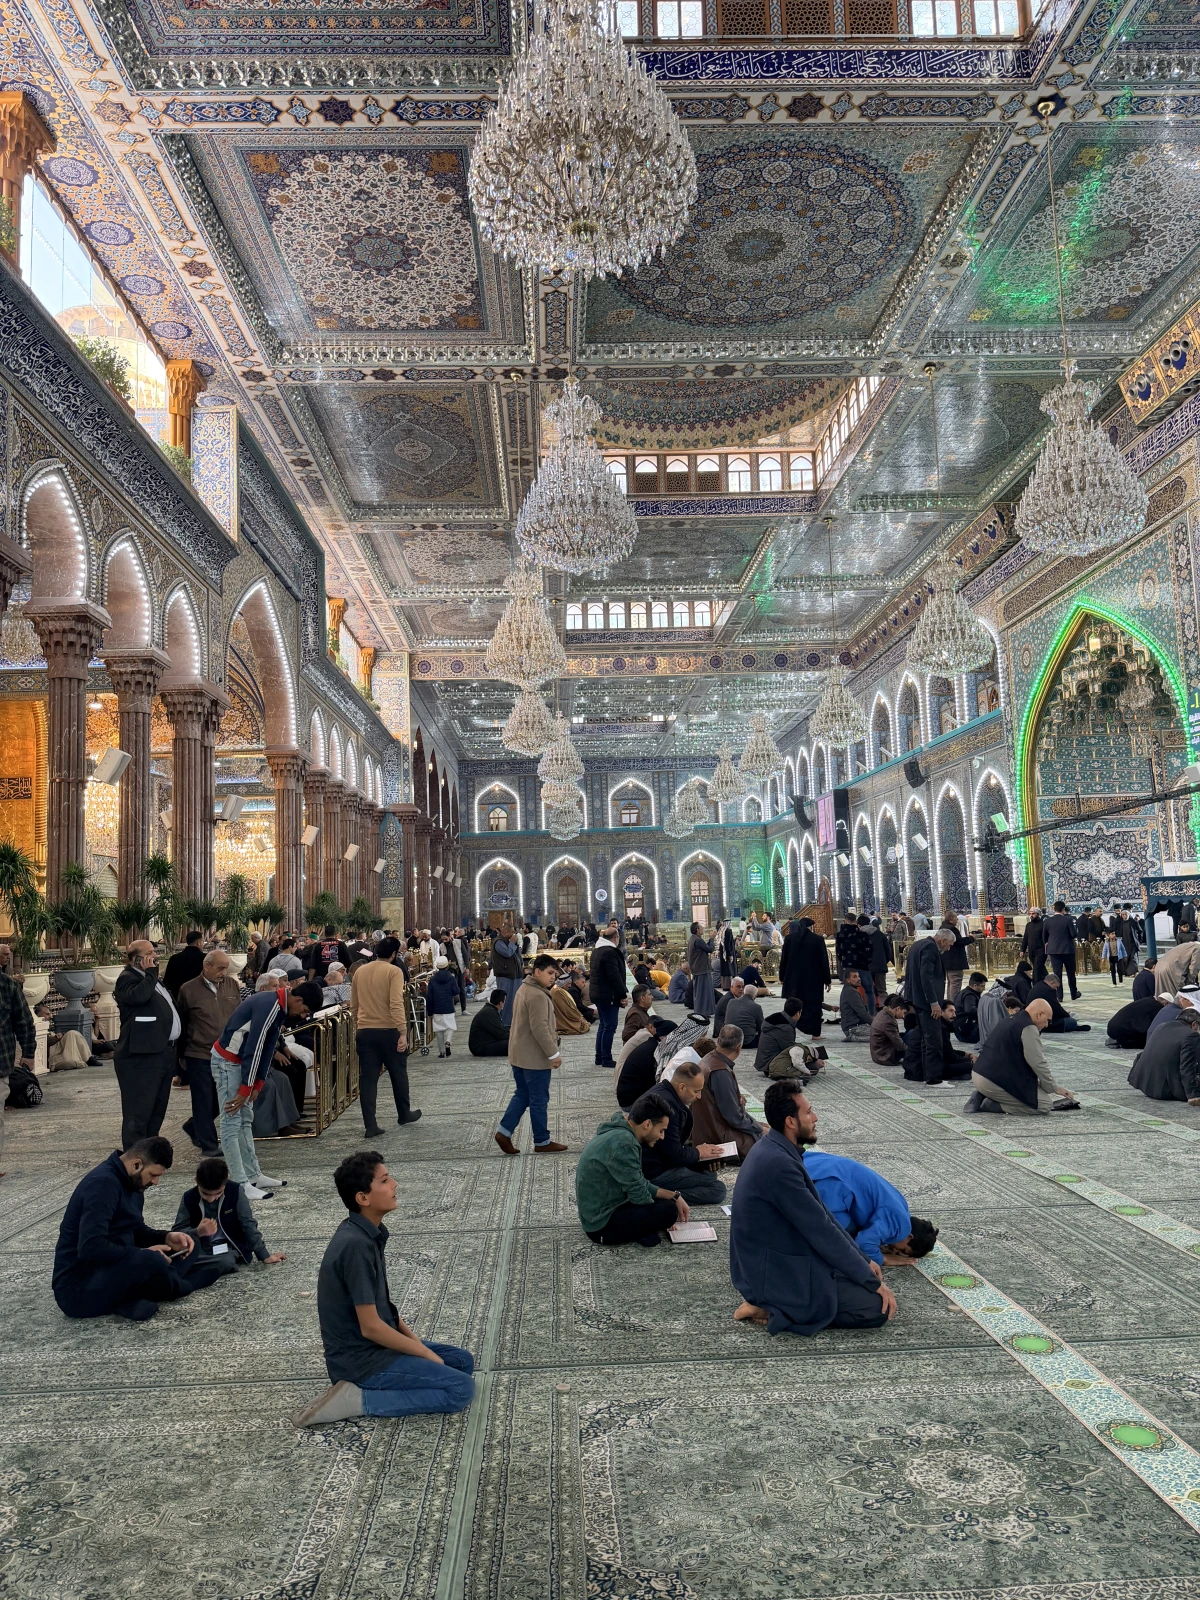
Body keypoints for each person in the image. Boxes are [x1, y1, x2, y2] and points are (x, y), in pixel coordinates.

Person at [293, 1152, 476, 1425]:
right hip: (361, 1362)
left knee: (462, 1362)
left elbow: (386, 1311)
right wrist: (425, 1354)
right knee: (461, 1389)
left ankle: (375, 1388)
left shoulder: (366, 1233)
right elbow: (371, 1327)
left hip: (378, 1348)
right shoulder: (355, 1246)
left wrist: (416, 1345)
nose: (395, 1184)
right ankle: (358, 1399)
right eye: (385, 1180)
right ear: (363, 1198)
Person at [729, 1080, 897, 1333]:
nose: (815, 1118)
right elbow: (820, 1229)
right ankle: (772, 1308)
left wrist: (862, 1261)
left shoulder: (775, 1148)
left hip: (782, 1254)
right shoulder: (778, 1164)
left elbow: (823, 1215)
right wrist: (867, 1278)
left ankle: (779, 1305)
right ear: (790, 1122)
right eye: (808, 1112)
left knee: (855, 1275)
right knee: (874, 1308)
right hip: (773, 1272)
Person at [53, 1137, 227, 1320]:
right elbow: (90, 1247)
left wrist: (166, 1237)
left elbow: (135, 1230)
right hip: (79, 1288)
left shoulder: (134, 1183)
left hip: (115, 1267)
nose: (156, 1182)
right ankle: (181, 1286)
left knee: (190, 1243)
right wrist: (142, 1254)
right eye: (153, 1175)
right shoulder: (103, 1184)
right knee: (151, 1260)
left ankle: (137, 1293)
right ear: (137, 1164)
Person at [213, 980, 310, 1196]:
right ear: (297, 999)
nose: (303, 1015)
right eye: (304, 1010)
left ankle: (253, 1175)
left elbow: (267, 1047)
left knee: (245, 1120)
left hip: (237, 1062)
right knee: (231, 1123)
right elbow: (254, 1048)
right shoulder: (270, 1005)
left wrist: (257, 1083)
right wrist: (246, 1088)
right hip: (228, 1062)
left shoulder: (280, 1006)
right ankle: (240, 1183)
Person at [575, 1090, 691, 1247]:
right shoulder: (624, 1144)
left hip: (605, 1208)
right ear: (647, 1124)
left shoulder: (620, 1131)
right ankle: (642, 1231)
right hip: (601, 1225)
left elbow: (639, 1182)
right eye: (661, 1130)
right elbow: (639, 1194)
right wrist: (659, 1218)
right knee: (669, 1211)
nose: (662, 1137)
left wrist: (674, 1196)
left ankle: (643, 1231)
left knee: (664, 1200)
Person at [804, 1150, 939, 1267]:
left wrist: (878, 1243)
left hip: (829, 1167)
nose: (895, 1251)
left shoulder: (902, 1208)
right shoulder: (899, 1227)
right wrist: (882, 1259)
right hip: (830, 1186)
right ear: (909, 1237)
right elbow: (863, 1243)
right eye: (902, 1251)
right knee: (843, 1236)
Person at [112, 940, 182, 1152]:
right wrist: (151, 974)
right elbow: (139, 997)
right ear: (136, 959)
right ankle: (134, 1156)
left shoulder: (152, 979)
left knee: (156, 1110)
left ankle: (149, 1155)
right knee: (138, 1112)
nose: (155, 956)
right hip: (141, 1057)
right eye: (150, 953)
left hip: (163, 1053)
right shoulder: (127, 978)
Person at [494, 954, 567, 1155]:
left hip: (519, 1054)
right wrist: (553, 1053)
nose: (553, 977)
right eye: (549, 973)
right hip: (534, 1058)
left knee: (523, 1094)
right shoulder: (537, 995)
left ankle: (504, 1132)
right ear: (537, 972)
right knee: (538, 1099)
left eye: (555, 974)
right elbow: (539, 1028)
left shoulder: (524, 988)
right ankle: (542, 1140)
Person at [176, 950, 243, 1159]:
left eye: (226, 968)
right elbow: (182, 1022)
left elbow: (239, 1015)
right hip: (199, 1052)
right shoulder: (188, 989)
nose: (224, 972)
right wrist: (181, 1056)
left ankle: (194, 1126)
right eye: (220, 968)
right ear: (207, 966)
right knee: (203, 1099)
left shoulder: (232, 985)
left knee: (221, 1098)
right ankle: (209, 1144)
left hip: (228, 1052)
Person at [351, 937, 420, 1137]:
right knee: (398, 1074)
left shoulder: (360, 971)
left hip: (365, 1031)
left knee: (368, 1079)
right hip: (389, 1030)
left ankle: (370, 1125)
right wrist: (403, 1031)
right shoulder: (393, 971)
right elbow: (395, 1002)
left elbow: (354, 1004)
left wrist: (359, 1024)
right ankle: (404, 1113)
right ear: (393, 954)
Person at [965, 999, 1078, 1115]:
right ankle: (992, 1104)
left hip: (979, 1074)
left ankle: (985, 1094)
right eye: (1047, 1020)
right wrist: (1054, 1087)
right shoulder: (1028, 1027)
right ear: (1039, 1014)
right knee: (1044, 1105)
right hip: (992, 1081)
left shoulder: (1009, 1020)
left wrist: (1046, 1085)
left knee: (1034, 1093)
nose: (1046, 1025)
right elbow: (1037, 1062)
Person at [174, 1154, 286, 1267]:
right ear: (196, 1181)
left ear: (227, 1179)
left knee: (226, 1262)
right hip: (201, 1247)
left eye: (218, 1193)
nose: (211, 1199)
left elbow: (248, 1223)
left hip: (229, 1247)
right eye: (205, 1194)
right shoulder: (189, 1197)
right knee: (177, 1257)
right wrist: (197, 1232)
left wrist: (264, 1255)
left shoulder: (235, 1191)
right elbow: (177, 1231)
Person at [690, 1024, 764, 1161]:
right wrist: (759, 1129)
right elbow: (733, 1117)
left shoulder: (709, 1058)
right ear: (739, 1048)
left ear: (718, 1040)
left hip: (707, 1127)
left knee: (762, 1127)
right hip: (716, 1134)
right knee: (767, 1142)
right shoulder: (720, 1072)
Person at [903, 926, 956, 1085]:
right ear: (943, 940)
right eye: (949, 945)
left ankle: (917, 1072)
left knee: (921, 1037)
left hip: (917, 999)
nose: (949, 949)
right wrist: (933, 1003)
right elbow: (926, 976)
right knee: (934, 1040)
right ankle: (934, 1078)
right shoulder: (930, 947)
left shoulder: (918, 944)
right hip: (926, 1003)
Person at [1127, 1011, 1200, 1103]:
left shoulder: (1161, 1026)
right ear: (1194, 1024)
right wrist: (1193, 1094)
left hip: (1145, 1085)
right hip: (1166, 1090)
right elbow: (1186, 1066)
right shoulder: (1191, 1035)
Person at [779, 915, 831, 1040]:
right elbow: (823, 961)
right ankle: (815, 1034)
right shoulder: (817, 940)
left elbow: (784, 960)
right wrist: (827, 980)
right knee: (814, 1006)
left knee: (793, 1005)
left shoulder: (789, 939)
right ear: (811, 927)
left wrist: (782, 976)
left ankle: (791, 1031)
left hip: (793, 979)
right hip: (813, 980)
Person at [589, 924, 628, 1071]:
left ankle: (599, 1056)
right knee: (609, 1026)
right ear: (616, 938)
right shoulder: (610, 952)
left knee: (603, 1025)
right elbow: (614, 976)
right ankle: (606, 1058)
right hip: (608, 995)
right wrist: (622, 994)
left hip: (599, 994)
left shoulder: (597, 951)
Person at [615, 1019, 666, 1108]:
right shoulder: (646, 1037)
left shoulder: (644, 1034)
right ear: (650, 1027)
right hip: (627, 1091)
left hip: (624, 1082)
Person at [753, 998, 802, 1075]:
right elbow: (790, 1049)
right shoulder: (785, 1027)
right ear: (797, 1013)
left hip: (764, 1062)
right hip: (770, 1066)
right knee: (812, 1065)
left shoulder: (777, 1018)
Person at [1044, 901, 1081, 999]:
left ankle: (1059, 996)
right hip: (1067, 949)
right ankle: (1073, 994)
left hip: (1054, 950)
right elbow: (1073, 934)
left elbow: (1044, 936)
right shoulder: (1067, 920)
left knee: (1057, 973)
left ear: (1054, 909)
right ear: (1063, 909)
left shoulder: (1048, 921)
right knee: (1070, 973)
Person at [426, 956, 460, 1059]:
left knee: (439, 1030)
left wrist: (430, 1012)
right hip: (448, 1007)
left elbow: (429, 996)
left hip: (437, 1008)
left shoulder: (432, 979)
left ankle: (441, 1052)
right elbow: (456, 991)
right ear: (447, 966)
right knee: (451, 1026)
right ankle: (448, 1041)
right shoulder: (451, 977)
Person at [490, 929, 524, 1028]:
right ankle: (505, 1022)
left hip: (515, 974)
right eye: (511, 932)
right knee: (506, 999)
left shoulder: (510, 941)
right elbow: (508, 953)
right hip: (505, 975)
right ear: (505, 932)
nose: (513, 934)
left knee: (515, 999)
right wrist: (512, 943)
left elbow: (517, 955)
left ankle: (514, 1021)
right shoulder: (498, 942)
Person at [162, 929, 206, 999]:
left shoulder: (174, 958)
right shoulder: (205, 959)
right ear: (198, 943)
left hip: (178, 998)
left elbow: (167, 983)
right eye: (203, 941)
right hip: (200, 998)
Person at [687, 922, 717, 1019]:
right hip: (701, 969)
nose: (703, 929)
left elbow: (705, 948)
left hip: (698, 969)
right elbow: (710, 949)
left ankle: (702, 1011)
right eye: (701, 927)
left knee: (700, 991)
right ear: (697, 930)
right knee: (703, 992)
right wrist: (712, 938)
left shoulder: (693, 939)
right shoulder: (698, 940)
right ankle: (703, 1011)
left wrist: (710, 940)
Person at [725, 982, 764, 1051]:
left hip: (729, 1040)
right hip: (747, 1042)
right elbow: (761, 1027)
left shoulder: (731, 1002)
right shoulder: (756, 1007)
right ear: (755, 996)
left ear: (743, 992)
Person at [469, 990, 510, 1056]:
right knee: (514, 1043)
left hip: (483, 1044)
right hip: (480, 1047)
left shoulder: (490, 1010)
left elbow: (500, 1029)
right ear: (500, 1003)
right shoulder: (490, 1012)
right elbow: (501, 1034)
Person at [870, 994, 907, 1065]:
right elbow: (900, 1045)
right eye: (904, 1012)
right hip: (886, 1056)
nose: (903, 1016)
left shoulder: (882, 1013)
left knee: (909, 1035)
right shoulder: (888, 1021)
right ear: (898, 1008)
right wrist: (913, 1052)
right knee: (912, 1034)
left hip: (878, 1054)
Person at [954, 972, 987, 1043]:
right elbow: (970, 1010)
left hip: (961, 1029)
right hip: (968, 1031)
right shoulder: (969, 995)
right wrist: (985, 1012)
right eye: (982, 986)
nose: (984, 989)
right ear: (975, 985)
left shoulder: (964, 992)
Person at [839, 971, 871, 1042]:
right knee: (881, 1035)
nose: (859, 979)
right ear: (848, 980)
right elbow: (862, 1013)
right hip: (854, 1027)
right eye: (855, 977)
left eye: (858, 976)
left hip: (851, 1026)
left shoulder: (848, 990)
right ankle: (853, 1037)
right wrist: (874, 1024)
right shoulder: (851, 992)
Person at [1020, 909, 1047, 984]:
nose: (1031, 915)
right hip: (1031, 951)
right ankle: (1046, 980)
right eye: (1030, 913)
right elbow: (1026, 938)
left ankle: (1035, 985)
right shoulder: (1028, 925)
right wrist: (1022, 950)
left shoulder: (1043, 924)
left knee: (1037, 969)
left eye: (1033, 913)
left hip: (1041, 951)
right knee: (1039, 968)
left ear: (1038, 914)